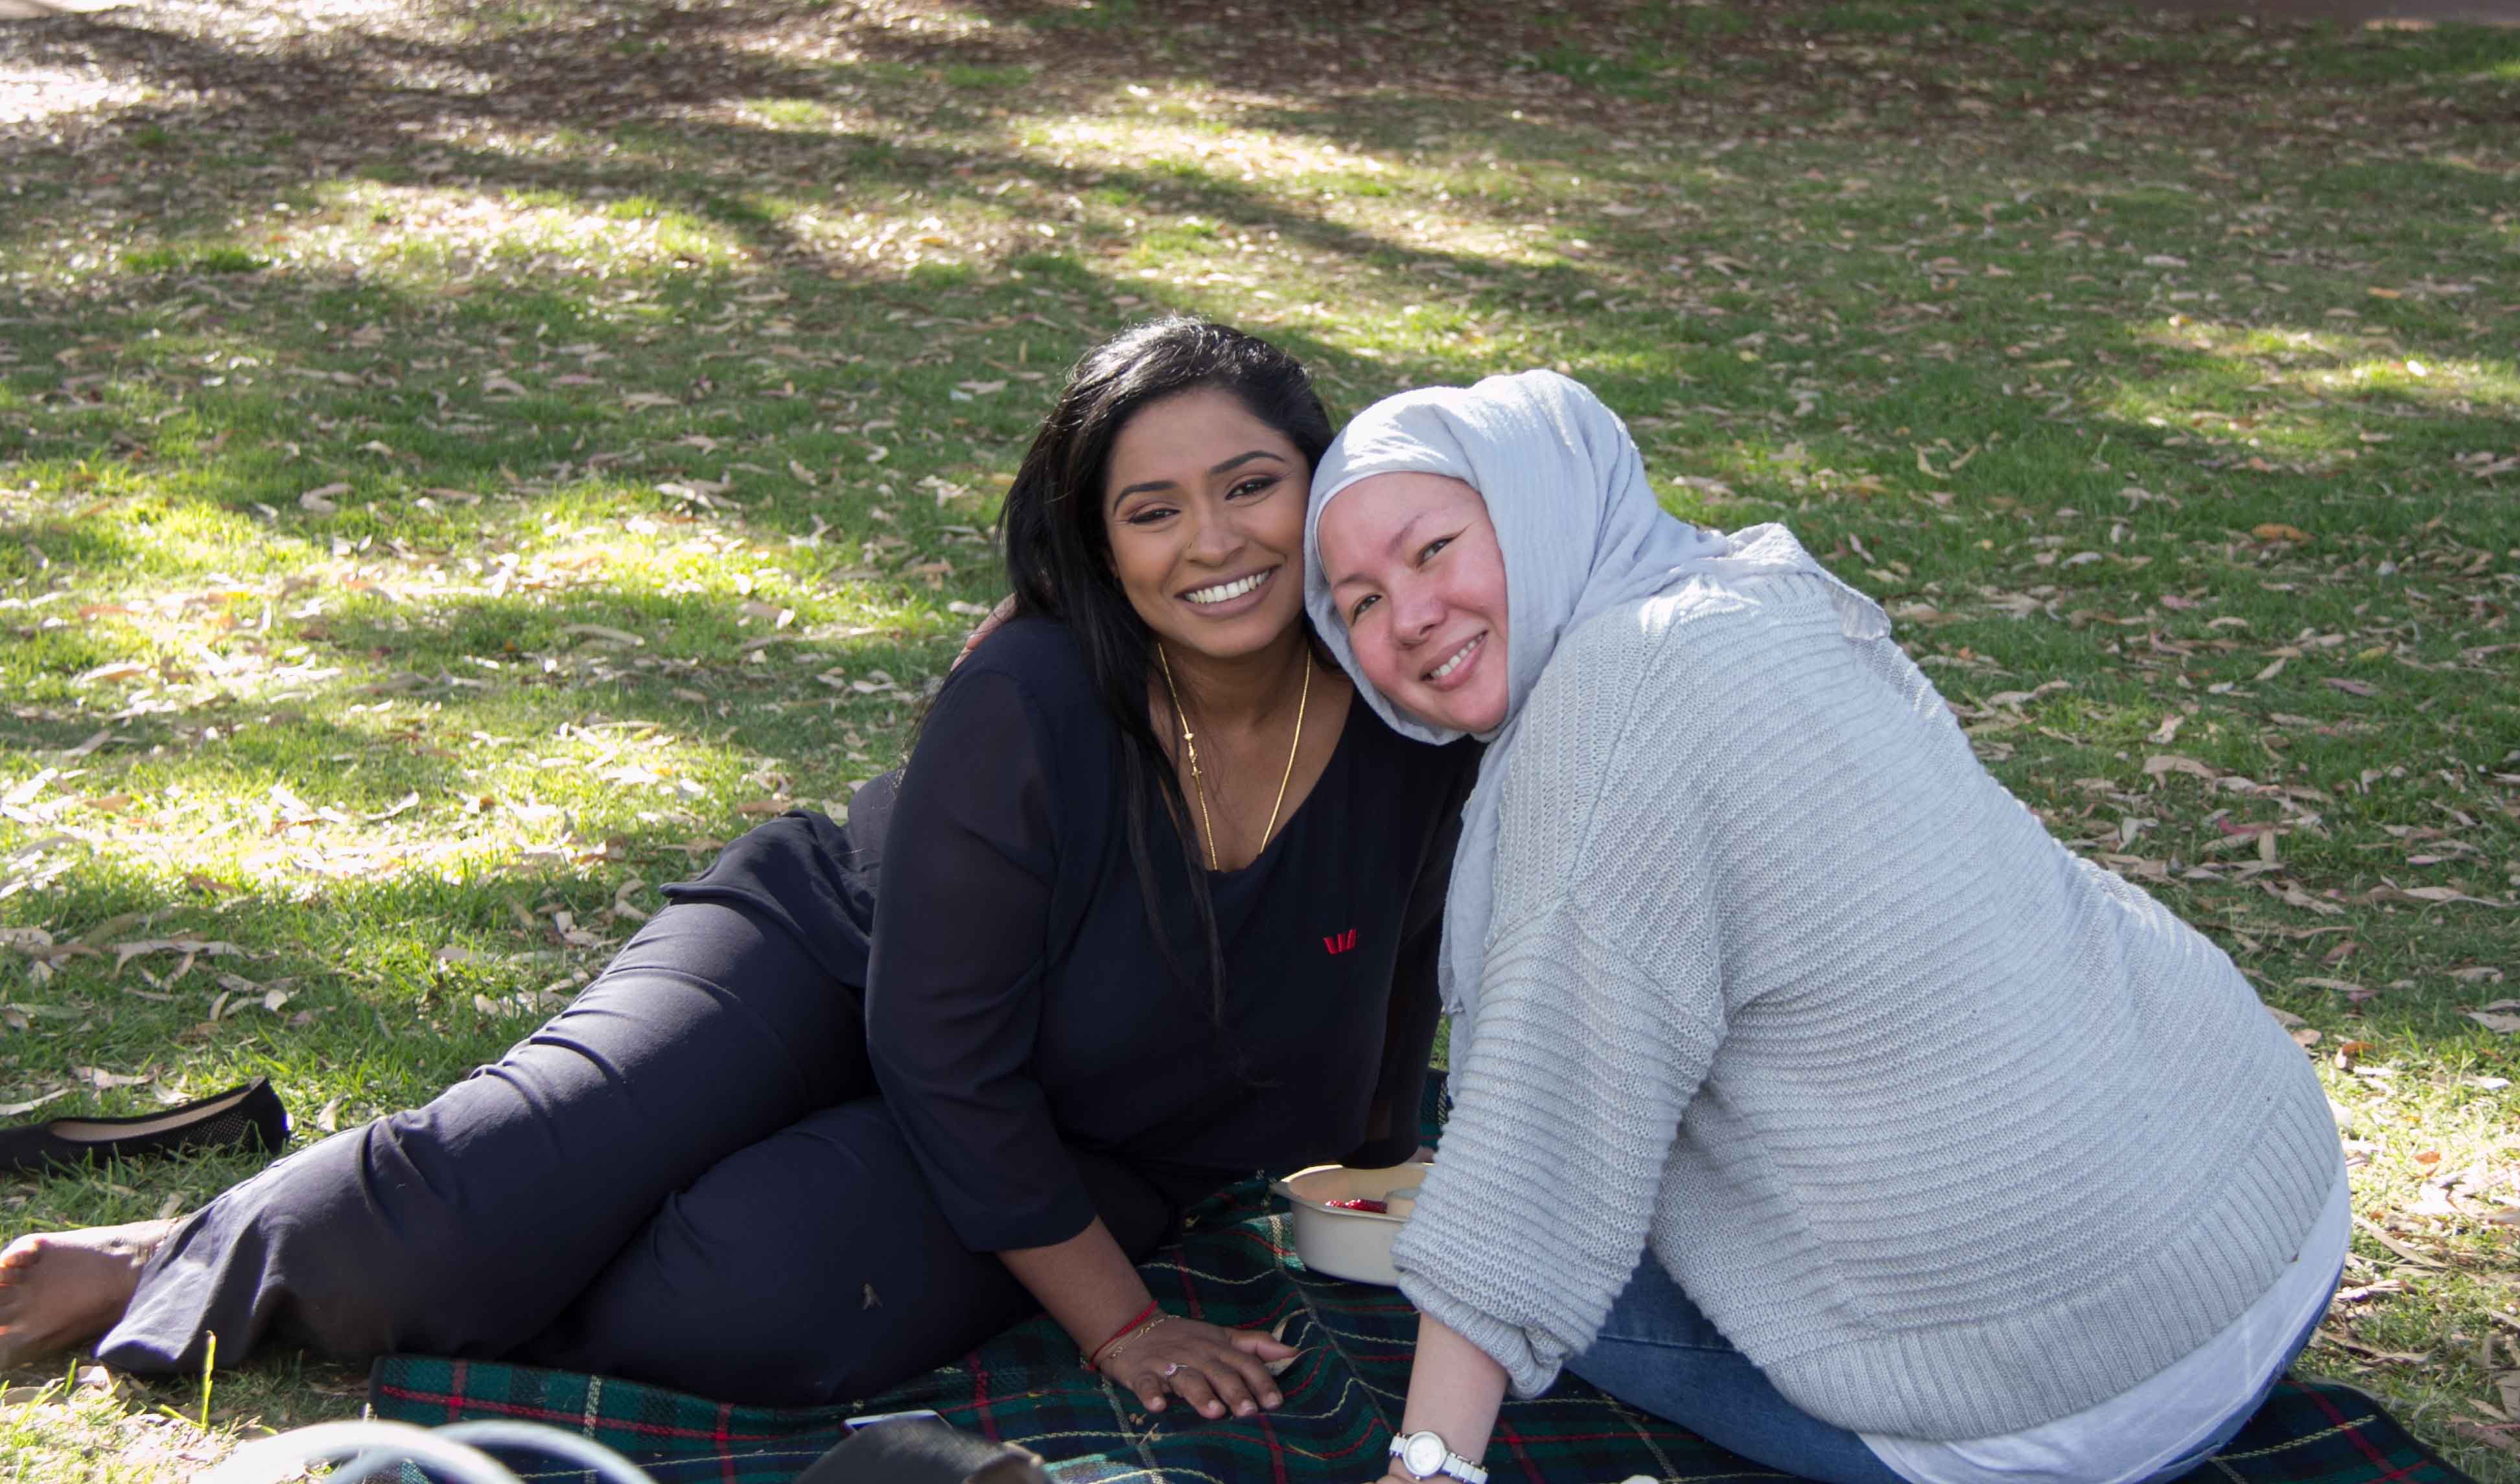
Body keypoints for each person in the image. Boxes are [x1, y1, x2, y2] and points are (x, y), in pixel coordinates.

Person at [0, 319, 1476, 1419]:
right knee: (484, 1193)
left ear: (1321, 488)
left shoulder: (1407, 706)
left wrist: (1372, 1161)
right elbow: (939, 1045)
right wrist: (1122, 1328)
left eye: (1250, 485)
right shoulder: (1031, 693)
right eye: (1152, 510)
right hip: (826, 958)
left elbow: (1403, 955)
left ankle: (472, 1256)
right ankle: (169, 1259)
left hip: (1095, 1126)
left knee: (756, 1305)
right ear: (1098, 543)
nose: (1212, 542)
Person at [1303, 371, 2348, 1484]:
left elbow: (1536, 1158)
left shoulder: (1605, 715)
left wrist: (1427, 1466)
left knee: (1524, 1257)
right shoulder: (1752, 588)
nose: (1408, 618)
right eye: (1358, 603)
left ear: (1534, 504)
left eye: (1433, 550)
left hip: (2070, 1394)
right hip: (2272, 1209)